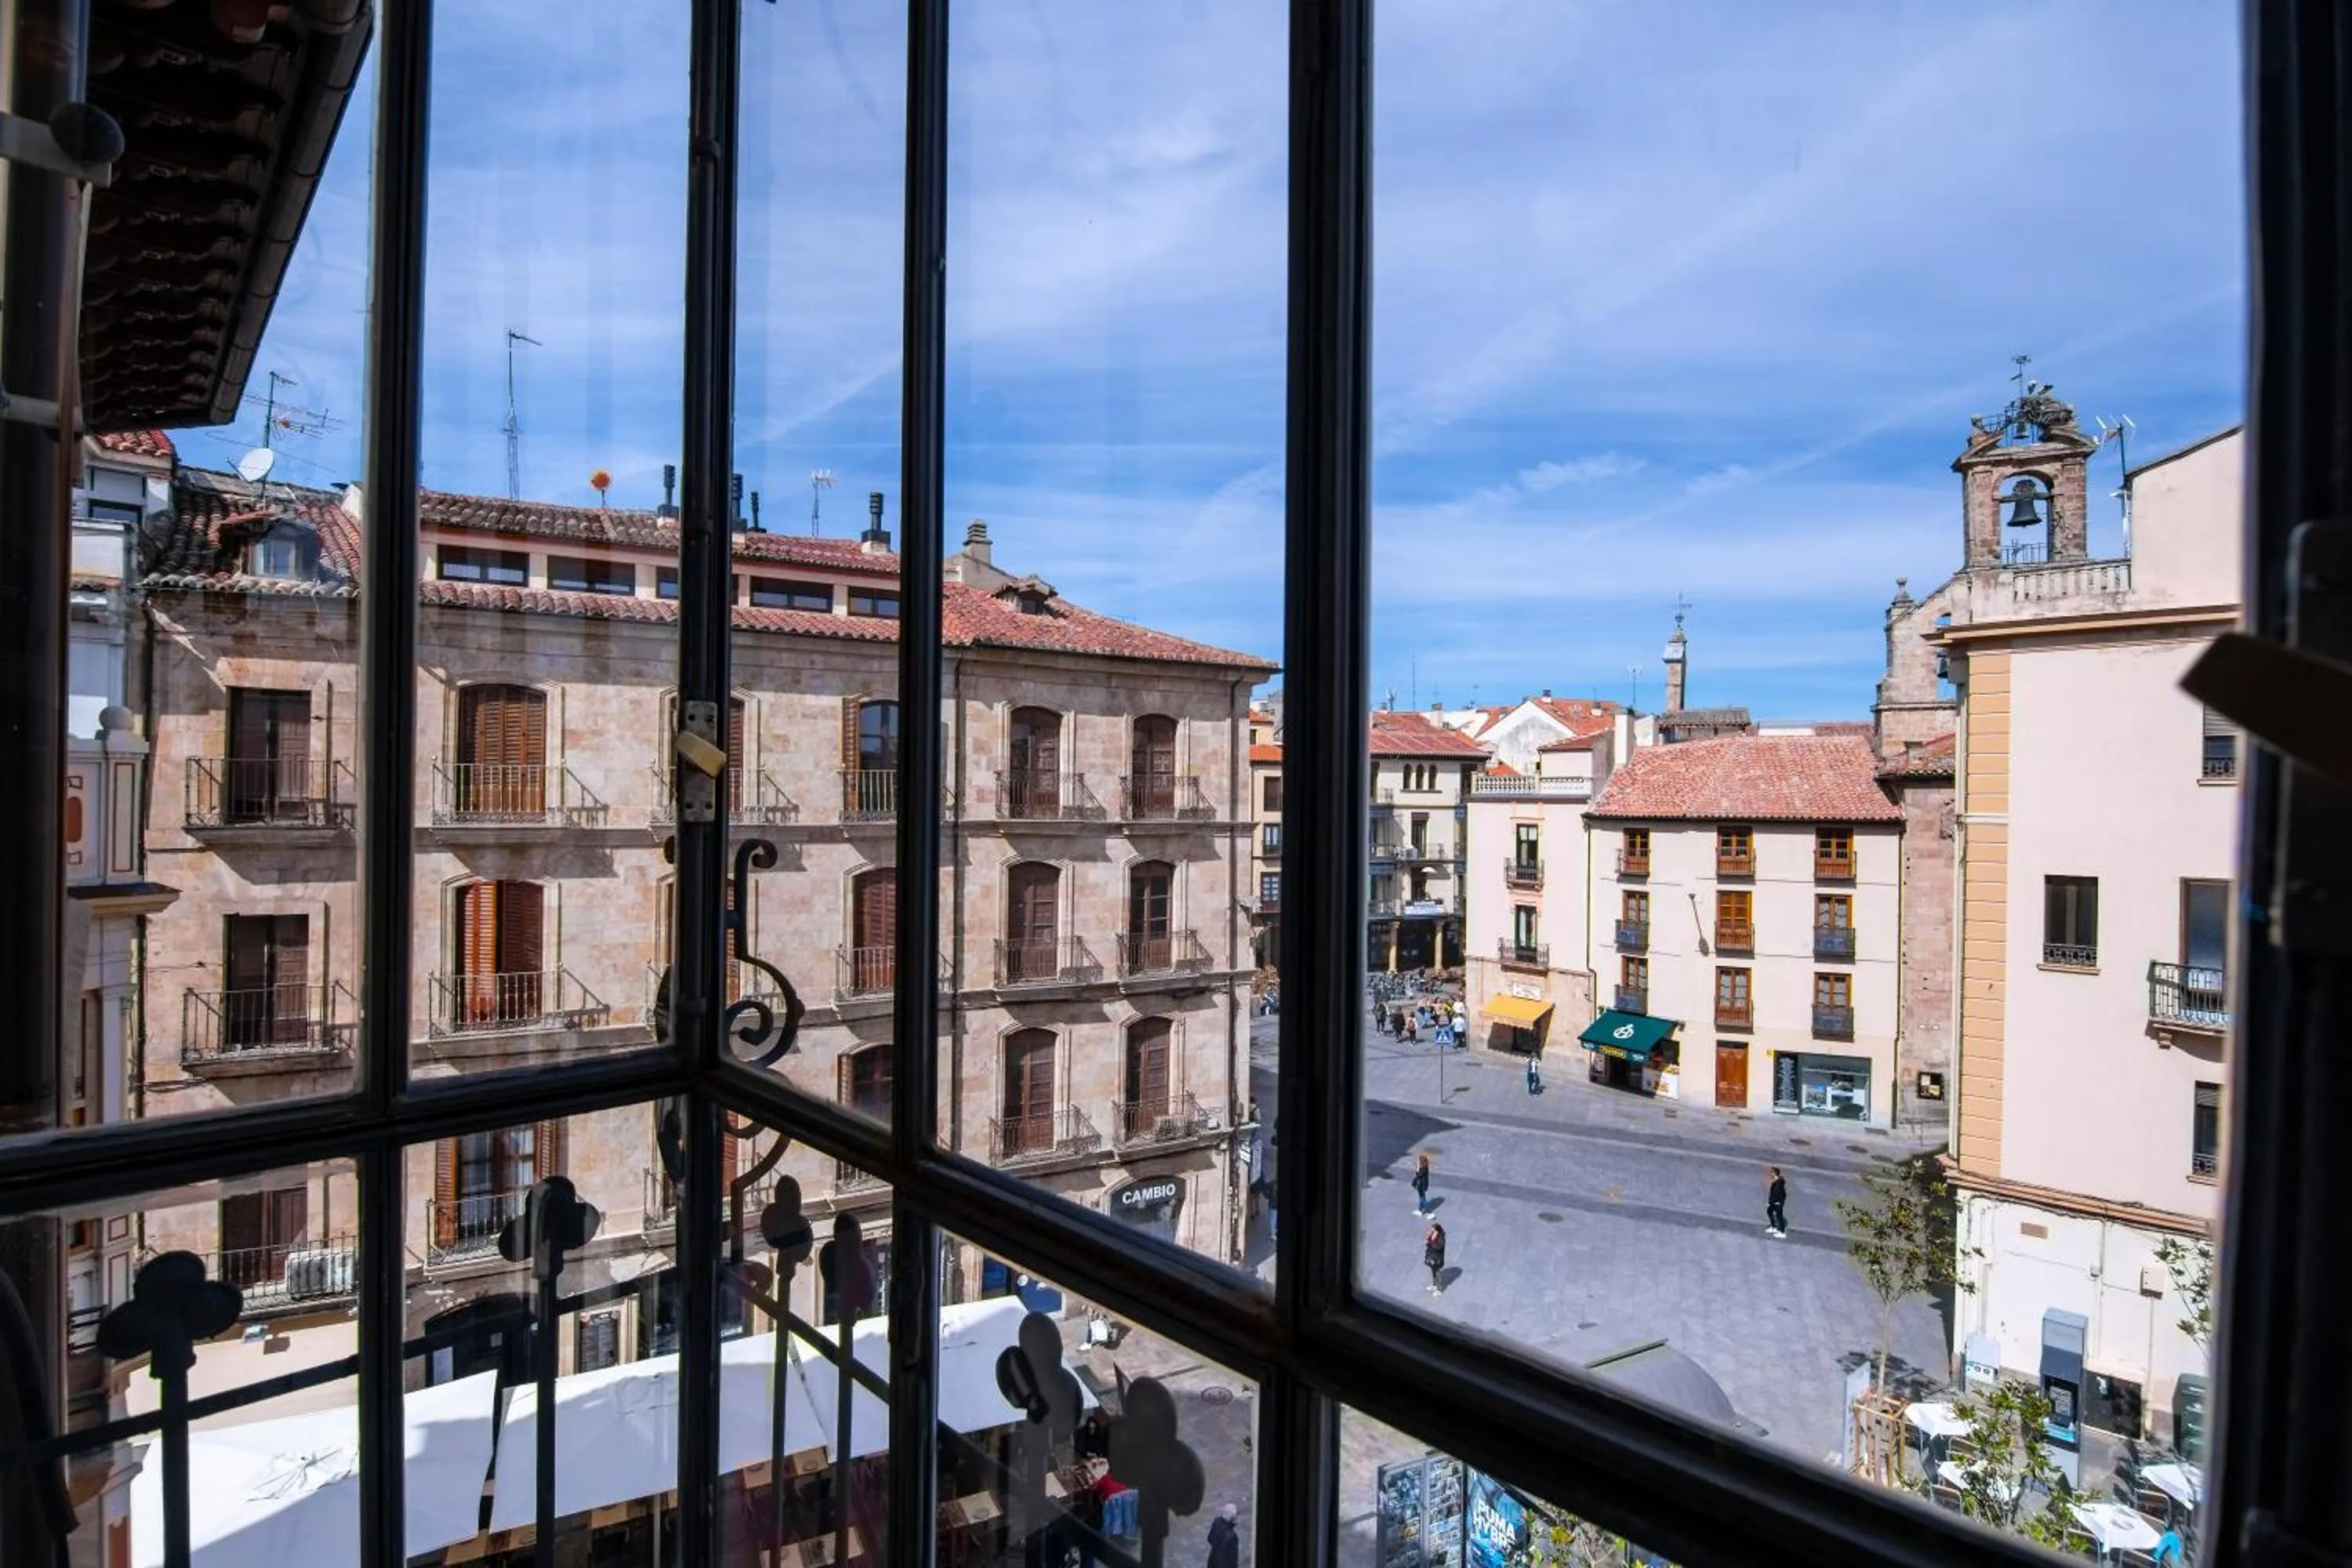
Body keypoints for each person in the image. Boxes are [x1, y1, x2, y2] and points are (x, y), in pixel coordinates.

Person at [1205, 1502, 1242, 1568]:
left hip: (1212, 1562)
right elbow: (1233, 1560)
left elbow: (1210, 1539)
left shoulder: (1217, 1522)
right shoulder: (1233, 1537)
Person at [1424, 1221, 1447, 1294]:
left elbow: (1438, 1247)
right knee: (1433, 1271)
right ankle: (1434, 1285)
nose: (1432, 1230)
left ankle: (1439, 1288)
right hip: (1432, 1256)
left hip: (1438, 1258)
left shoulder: (1441, 1237)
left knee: (1437, 1272)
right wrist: (1428, 1241)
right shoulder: (1432, 1234)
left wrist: (1431, 1242)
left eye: (1434, 1229)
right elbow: (1429, 1243)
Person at [1765, 1164, 1788, 1238]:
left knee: (1779, 1216)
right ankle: (1774, 1227)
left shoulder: (1779, 1183)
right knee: (1769, 1212)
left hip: (1777, 1202)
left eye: (1772, 1172)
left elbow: (1778, 1194)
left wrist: (1776, 1202)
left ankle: (1782, 1232)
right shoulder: (1776, 1181)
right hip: (1774, 1202)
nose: (1771, 1173)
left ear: (1775, 1173)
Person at [1410, 1152, 1432, 1216]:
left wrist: (1416, 1170)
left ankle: (1429, 1211)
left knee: (1422, 1198)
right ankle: (1420, 1210)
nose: (1418, 1162)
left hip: (1421, 1184)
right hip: (1423, 1184)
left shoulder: (1422, 1168)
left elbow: (1419, 1175)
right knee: (1422, 1197)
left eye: (1419, 1161)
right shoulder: (1425, 1166)